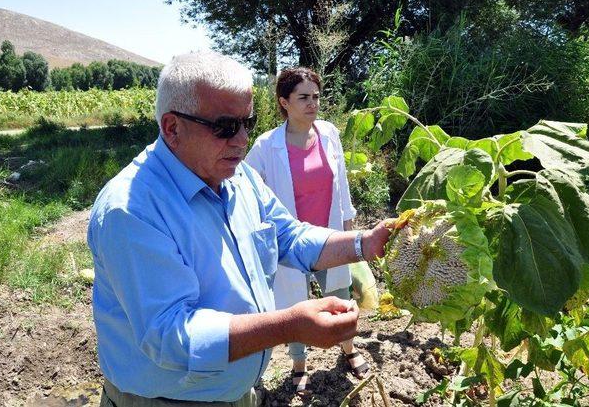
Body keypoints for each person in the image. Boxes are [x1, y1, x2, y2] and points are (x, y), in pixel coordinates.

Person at [87, 52, 393, 407]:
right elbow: (171, 337)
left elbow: (289, 237)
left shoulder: (239, 177)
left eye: (247, 122)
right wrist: (288, 326)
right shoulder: (132, 210)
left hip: (239, 393)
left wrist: (365, 243)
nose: (242, 139)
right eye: (225, 127)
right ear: (172, 128)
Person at [245, 67, 369, 396]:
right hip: (291, 241)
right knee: (293, 304)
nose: (312, 103)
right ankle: (299, 365)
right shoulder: (266, 145)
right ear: (284, 102)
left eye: (315, 96)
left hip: (327, 236)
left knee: (340, 296)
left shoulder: (328, 133)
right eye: (303, 97)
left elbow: (340, 183)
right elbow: (244, 186)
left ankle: (349, 350)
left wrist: (348, 224)